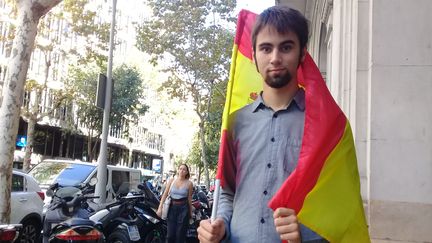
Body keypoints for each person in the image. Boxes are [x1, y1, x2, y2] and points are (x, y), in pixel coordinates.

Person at [197, 6, 328, 243]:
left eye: (286, 47)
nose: (275, 57)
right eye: (266, 48)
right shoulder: (235, 122)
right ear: (255, 55)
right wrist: (220, 226)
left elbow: (337, 204)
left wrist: (305, 233)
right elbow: (227, 192)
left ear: (301, 53)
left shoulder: (323, 124)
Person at [157, 164, 193, 243]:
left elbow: (189, 198)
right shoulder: (171, 180)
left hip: (184, 209)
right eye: (180, 169)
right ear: (178, 170)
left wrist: (190, 212)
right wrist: (160, 208)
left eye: (184, 169)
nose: (181, 171)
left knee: (180, 235)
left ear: (187, 172)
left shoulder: (189, 183)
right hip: (172, 208)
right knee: (170, 235)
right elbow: (165, 194)